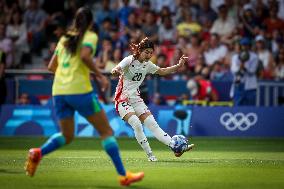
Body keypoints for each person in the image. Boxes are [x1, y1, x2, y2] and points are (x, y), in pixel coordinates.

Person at [24, 7, 144, 186]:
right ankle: (123, 175)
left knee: (67, 135)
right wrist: (99, 75)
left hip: (59, 92)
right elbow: (85, 55)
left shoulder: (65, 38)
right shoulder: (89, 36)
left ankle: (37, 153)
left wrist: (69, 75)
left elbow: (51, 66)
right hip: (79, 90)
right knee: (106, 132)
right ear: (90, 23)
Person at [111, 37, 194, 161]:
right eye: (147, 52)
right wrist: (115, 71)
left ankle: (176, 147)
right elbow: (116, 68)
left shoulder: (147, 65)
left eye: (151, 52)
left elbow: (162, 71)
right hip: (122, 99)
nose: (149, 55)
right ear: (140, 50)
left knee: (153, 125)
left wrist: (179, 66)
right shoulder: (129, 60)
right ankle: (150, 155)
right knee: (137, 124)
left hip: (136, 99)